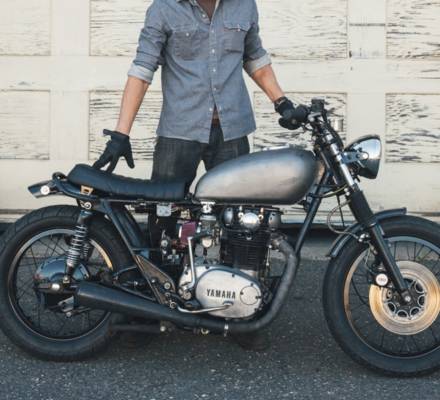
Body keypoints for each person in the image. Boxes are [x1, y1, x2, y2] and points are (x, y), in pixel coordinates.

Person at [93, 0, 300, 351]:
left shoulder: (244, 6)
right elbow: (142, 69)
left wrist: (281, 102)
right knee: (162, 221)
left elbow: (255, 58)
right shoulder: (164, 10)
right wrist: (120, 134)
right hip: (180, 131)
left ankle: (239, 316)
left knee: (239, 223)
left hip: (232, 130)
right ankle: (147, 310)